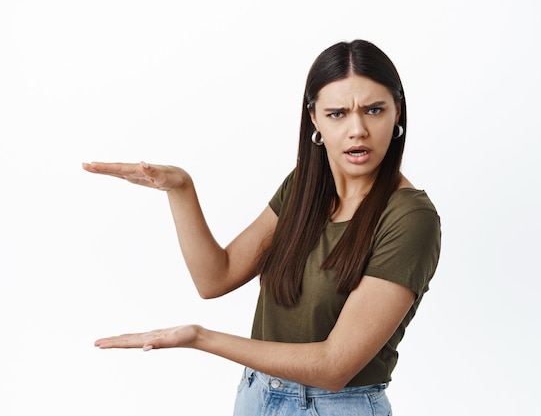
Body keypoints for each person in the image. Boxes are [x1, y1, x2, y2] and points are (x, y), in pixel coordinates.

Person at [83, 39, 441, 416]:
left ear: (397, 113)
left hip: (336, 406)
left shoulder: (409, 217)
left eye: (373, 110)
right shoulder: (304, 188)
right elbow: (215, 278)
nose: (357, 130)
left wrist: (201, 338)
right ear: (314, 119)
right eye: (337, 113)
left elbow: (335, 367)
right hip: (257, 395)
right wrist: (181, 189)